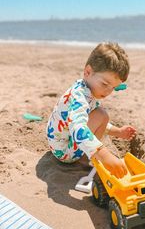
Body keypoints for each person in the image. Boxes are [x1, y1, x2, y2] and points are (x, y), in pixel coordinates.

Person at [46, 42, 136, 179]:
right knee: (101, 114)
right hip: (64, 152)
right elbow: (79, 127)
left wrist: (117, 131)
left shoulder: (85, 88)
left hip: (61, 141)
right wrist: (104, 154)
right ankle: (91, 156)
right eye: (105, 84)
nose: (108, 91)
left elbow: (89, 119)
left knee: (101, 115)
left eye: (113, 88)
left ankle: (91, 151)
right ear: (87, 72)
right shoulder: (80, 97)